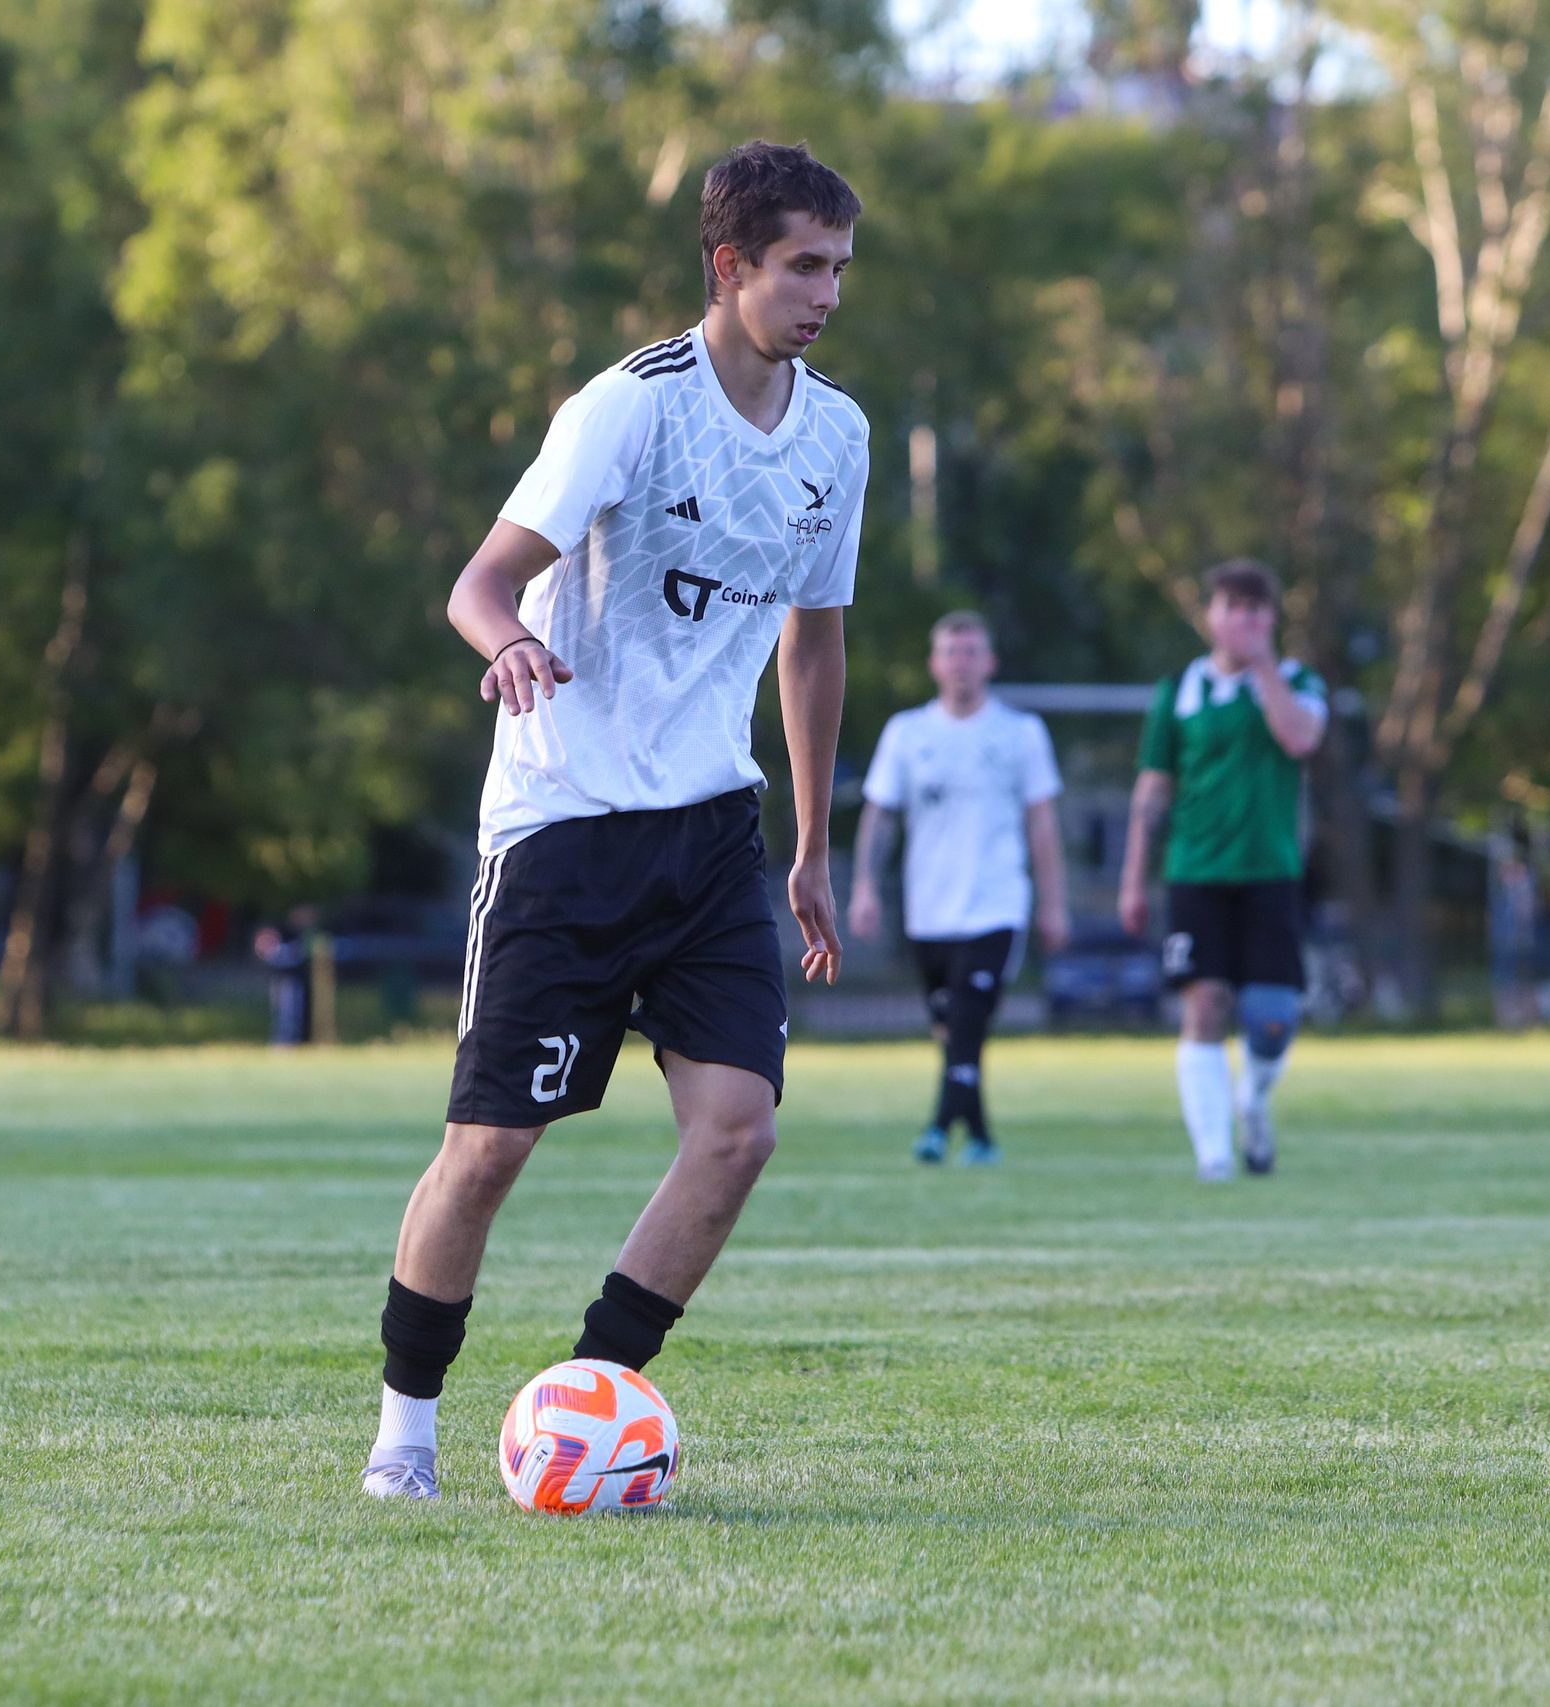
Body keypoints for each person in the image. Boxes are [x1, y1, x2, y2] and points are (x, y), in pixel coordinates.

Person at [361, 142, 868, 1500]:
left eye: (837, 267)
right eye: (801, 266)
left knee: (738, 1129)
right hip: (567, 830)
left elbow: (811, 651)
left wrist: (814, 842)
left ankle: (591, 1397)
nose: (825, 293)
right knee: (490, 1150)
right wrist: (508, 647)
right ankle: (403, 1429)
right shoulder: (628, 409)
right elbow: (482, 583)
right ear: (730, 267)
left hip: (712, 832)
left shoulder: (840, 436)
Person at [1117, 560, 1326, 1181]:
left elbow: (1301, 740)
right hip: (1196, 872)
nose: (1247, 620)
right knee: (1204, 1001)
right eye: (1235, 608)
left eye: (1259, 610)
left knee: (1272, 1018)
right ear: (1212, 616)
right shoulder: (1178, 692)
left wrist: (1263, 667)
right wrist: (1134, 877)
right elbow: (1152, 788)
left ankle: (1253, 1104)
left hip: (1270, 871)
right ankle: (1213, 1154)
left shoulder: (1296, 680)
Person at [850, 612, 1069, 1165]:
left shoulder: (1020, 733)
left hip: (997, 903)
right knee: (954, 1030)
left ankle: (936, 1128)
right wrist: (865, 887)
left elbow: (1042, 824)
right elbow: (880, 817)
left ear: (990, 663)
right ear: (934, 664)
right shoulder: (907, 733)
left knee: (969, 1015)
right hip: (930, 909)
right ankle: (981, 1135)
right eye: (952, 652)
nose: (962, 663)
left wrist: (1054, 903)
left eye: (972, 652)